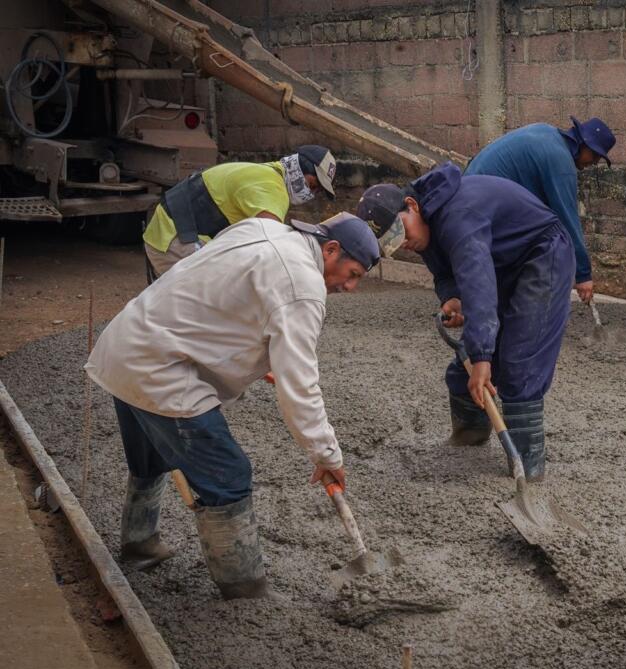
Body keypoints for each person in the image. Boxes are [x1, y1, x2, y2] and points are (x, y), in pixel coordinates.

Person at [85, 211, 379, 599]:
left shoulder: (263, 228)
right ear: (331, 249)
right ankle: (245, 590)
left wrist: (257, 357)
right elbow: (301, 386)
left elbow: (223, 295)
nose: (351, 286)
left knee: (154, 455)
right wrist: (327, 455)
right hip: (159, 370)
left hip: (126, 341)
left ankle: (140, 544)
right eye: (353, 273)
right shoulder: (303, 287)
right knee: (228, 474)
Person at [357, 162, 574, 482]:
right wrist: (451, 297)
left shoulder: (458, 215)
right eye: (391, 243)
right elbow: (448, 272)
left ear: (412, 206)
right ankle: (469, 437)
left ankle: (529, 470)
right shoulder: (426, 223)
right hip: (505, 262)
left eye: (399, 232)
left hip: (543, 254)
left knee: (518, 360)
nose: (401, 244)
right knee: (465, 368)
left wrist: (483, 356)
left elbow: (478, 282)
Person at [465, 116, 615, 304]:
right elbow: (568, 218)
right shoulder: (561, 161)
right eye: (595, 156)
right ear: (585, 145)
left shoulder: (546, 132)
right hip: (482, 205)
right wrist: (583, 274)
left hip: (472, 194)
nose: (593, 163)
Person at [142, 144, 338, 277]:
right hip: (175, 240)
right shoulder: (272, 188)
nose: (311, 194)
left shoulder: (262, 173)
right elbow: (273, 245)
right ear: (298, 168)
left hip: (166, 234)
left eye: (317, 191)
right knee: (224, 299)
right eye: (313, 185)